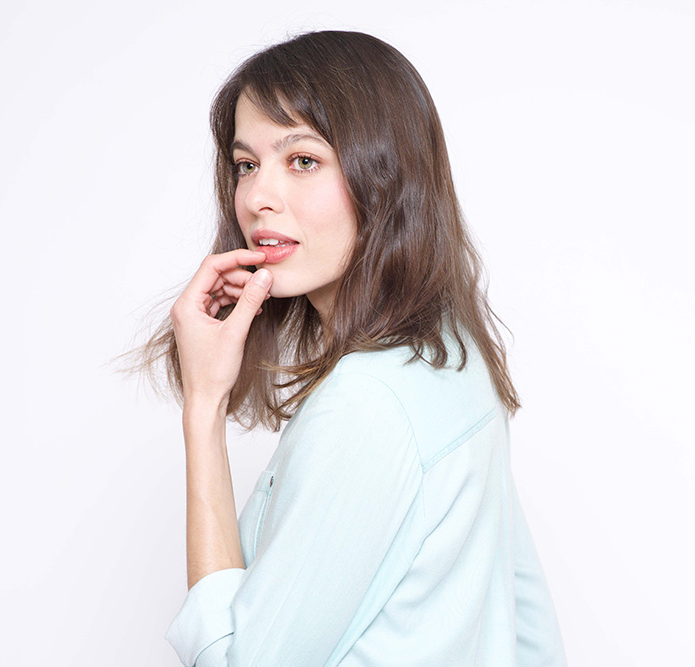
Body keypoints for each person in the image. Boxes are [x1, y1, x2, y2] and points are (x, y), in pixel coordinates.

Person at [122, 30, 566, 666]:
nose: (257, 197)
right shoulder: (451, 352)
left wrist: (204, 406)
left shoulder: (368, 404)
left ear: (384, 176)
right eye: (247, 165)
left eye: (302, 160)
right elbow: (524, 625)